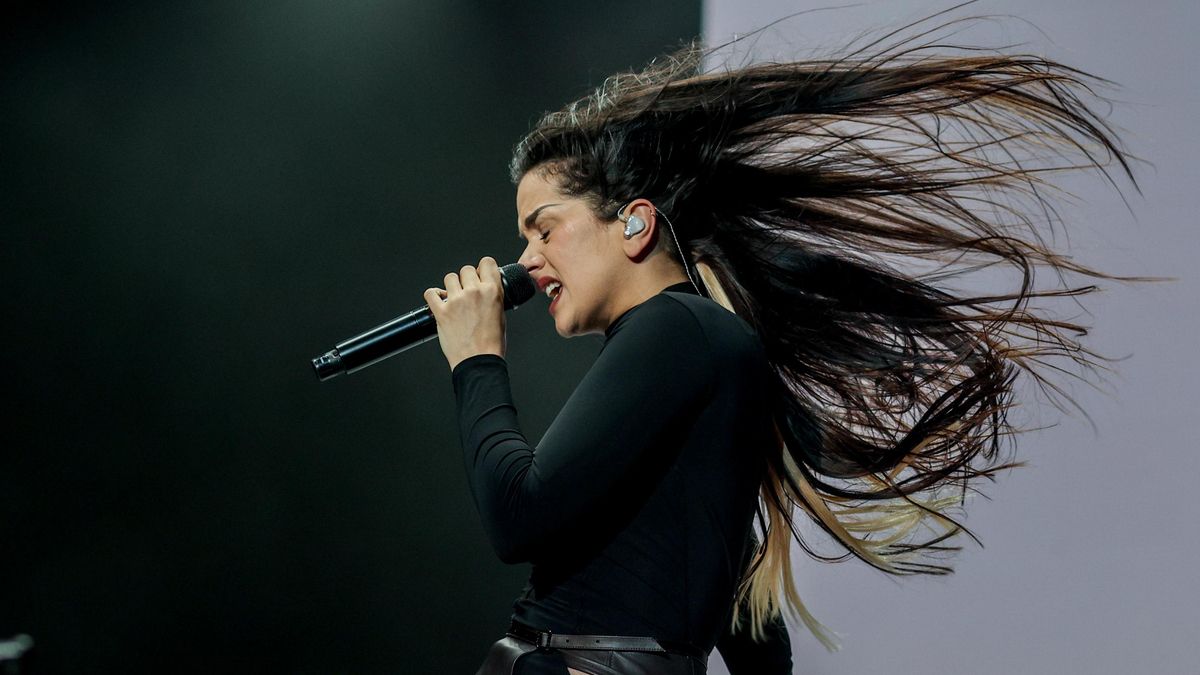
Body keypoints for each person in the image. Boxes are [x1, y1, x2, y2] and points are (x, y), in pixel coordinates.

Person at [423, 8, 1157, 675]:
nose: (526, 262)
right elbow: (739, 590)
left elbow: (519, 514)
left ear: (635, 224)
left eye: (543, 228)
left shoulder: (675, 330)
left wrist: (477, 359)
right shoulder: (699, 343)